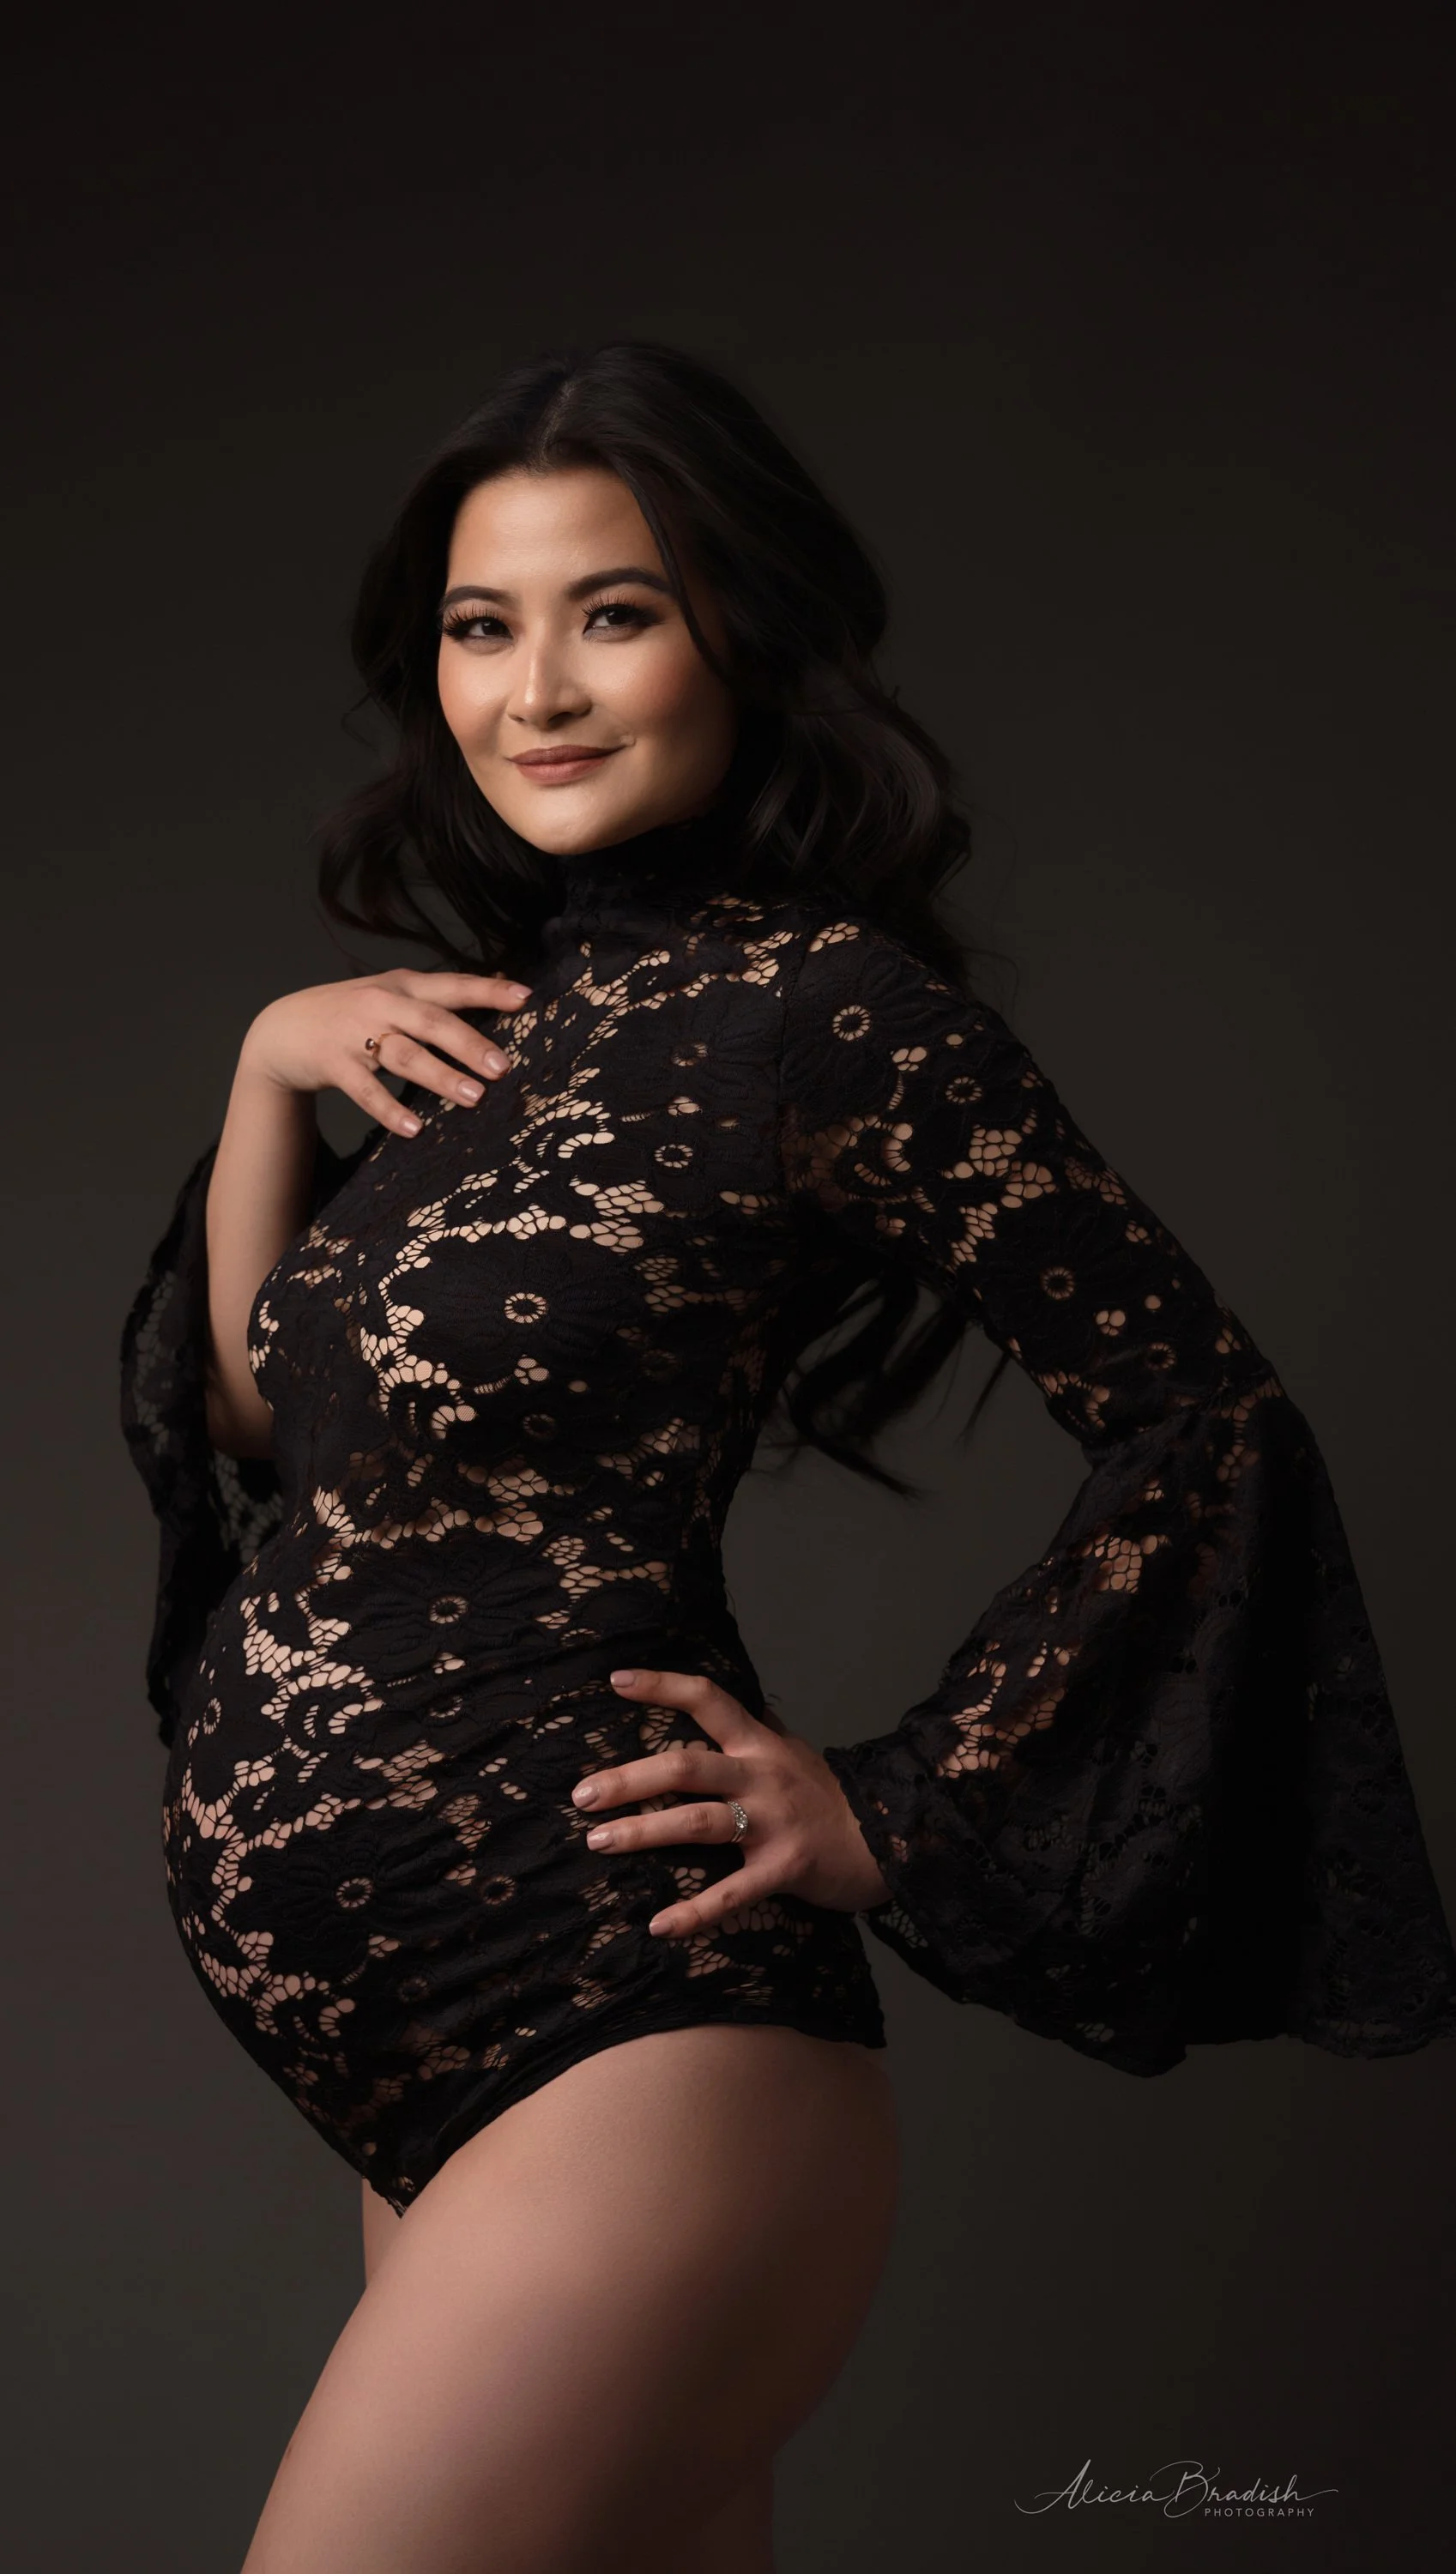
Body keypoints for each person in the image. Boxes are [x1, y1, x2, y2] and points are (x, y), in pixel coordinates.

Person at [120, 341, 1456, 2574]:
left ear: (741, 628)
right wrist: (268, 1074)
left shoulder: (817, 1014)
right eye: (481, 624)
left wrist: (889, 1800)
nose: (535, 684)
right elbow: (278, 1432)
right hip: (423, 2077)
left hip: (624, 2038)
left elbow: (1196, 1412)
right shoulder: (473, 1045)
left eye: (612, 609)